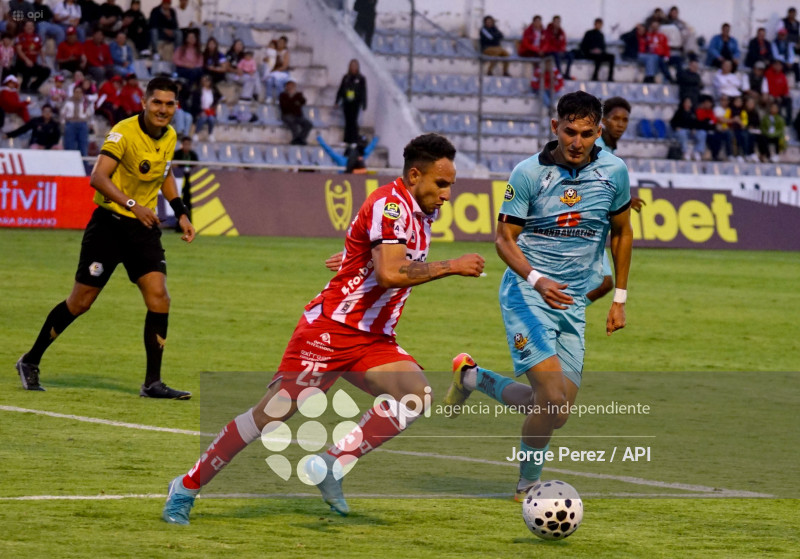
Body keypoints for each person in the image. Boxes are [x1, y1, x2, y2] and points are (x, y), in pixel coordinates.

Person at [161, 132, 485, 524]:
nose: (448, 194)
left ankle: (331, 464)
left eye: (451, 185)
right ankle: (186, 486)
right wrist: (452, 265)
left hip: (372, 339)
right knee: (270, 417)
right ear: (414, 175)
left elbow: (374, 252)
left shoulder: (421, 210)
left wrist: (352, 255)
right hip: (329, 333)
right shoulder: (391, 205)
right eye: (442, 183)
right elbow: (387, 273)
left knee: (416, 394)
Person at [443, 91, 632, 501]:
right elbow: (503, 238)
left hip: (573, 302)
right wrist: (536, 279)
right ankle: (527, 485)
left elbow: (622, 232)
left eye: (586, 133)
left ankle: (472, 376)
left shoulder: (614, 172)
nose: (577, 142)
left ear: (598, 132)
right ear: (555, 127)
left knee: (556, 411)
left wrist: (619, 296)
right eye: (569, 132)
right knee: (548, 397)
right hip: (526, 295)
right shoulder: (528, 172)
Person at [16, 77, 195, 398]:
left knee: (159, 297)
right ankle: (30, 360)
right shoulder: (123, 132)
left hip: (143, 228)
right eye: (157, 102)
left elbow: (165, 173)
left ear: (176, 107)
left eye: (169, 104)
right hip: (110, 226)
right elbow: (97, 177)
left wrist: (181, 212)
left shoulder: (169, 135)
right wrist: (133, 205)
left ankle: (152, 382)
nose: (163, 110)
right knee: (81, 302)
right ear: (144, 102)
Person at [589, 96, 643, 303]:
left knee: (601, 283)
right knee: (604, 283)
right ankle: (559, 314)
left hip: (594, 229)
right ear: (603, 121)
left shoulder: (609, 149)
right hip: (583, 225)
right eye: (615, 118)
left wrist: (626, 201)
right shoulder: (597, 147)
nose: (620, 124)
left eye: (625, 120)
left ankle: (558, 314)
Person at [566, 18, 615, 82]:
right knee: (598, 58)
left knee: (611, 57)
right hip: (589, 53)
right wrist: (592, 50)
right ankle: (595, 76)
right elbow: (584, 45)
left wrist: (600, 50)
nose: (599, 26)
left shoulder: (601, 35)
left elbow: (603, 47)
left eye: (600, 24)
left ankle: (610, 77)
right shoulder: (589, 33)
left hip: (599, 53)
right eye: (598, 24)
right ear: (595, 24)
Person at [14, 19, 51, 93]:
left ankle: (33, 87)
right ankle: (23, 88)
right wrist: (26, 60)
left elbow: (41, 50)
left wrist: (44, 61)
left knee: (46, 70)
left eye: (31, 26)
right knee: (28, 67)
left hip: (33, 63)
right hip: (21, 63)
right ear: (24, 27)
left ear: (34, 27)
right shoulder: (20, 37)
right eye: (28, 25)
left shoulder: (37, 37)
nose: (30, 27)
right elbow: (19, 50)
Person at [336, 59, 367, 144]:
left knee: (353, 121)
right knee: (347, 121)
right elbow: (341, 89)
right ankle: (346, 139)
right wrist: (337, 100)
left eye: (355, 66)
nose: (353, 67)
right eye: (352, 66)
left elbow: (363, 91)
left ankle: (354, 139)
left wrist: (364, 103)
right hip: (347, 102)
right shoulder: (346, 78)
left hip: (355, 102)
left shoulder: (361, 79)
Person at [172, 135, 197, 227]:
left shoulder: (193, 155)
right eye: (185, 144)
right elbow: (173, 166)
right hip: (178, 182)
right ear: (182, 144)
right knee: (178, 202)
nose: (187, 146)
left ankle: (189, 222)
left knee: (188, 203)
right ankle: (178, 225)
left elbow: (196, 168)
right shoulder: (177, 154)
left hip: (190, 183)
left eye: (188, 144)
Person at [279, 79, 312, 145]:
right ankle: (296, 139)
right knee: (293, 123)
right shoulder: (283, 95)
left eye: (292, 86)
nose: (290, 87)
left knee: (308, 124)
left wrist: (293, 101)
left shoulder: (298, 95)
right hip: (287, 115)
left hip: (298, 115)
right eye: (289, 85)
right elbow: (284, 106)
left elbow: (303, 102)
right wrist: (295, 102)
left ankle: (300, 139)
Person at [189, 73, 220, 142]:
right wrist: (200, 111)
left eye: (207, 80)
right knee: (203, 118)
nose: (205, 82)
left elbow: (217, 100)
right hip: (200, 110)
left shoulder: (213, 91)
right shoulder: (197, 91)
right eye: (203, 81)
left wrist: (213, 108)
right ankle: (196, 134)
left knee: (211, 119)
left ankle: (210, 134)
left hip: (210, 110)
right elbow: (195, 104)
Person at [264, 35, 290, 102]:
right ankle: (268, 97)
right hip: (273, 71)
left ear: (285, 44)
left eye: (282, 42)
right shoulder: (273, 51)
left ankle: (279, 98)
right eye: (279, 42)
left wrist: (276, 71)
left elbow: (285, 66)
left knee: (278, 81)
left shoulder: (285, 53)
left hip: (282, 72)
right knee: (269, 80)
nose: (280, 44)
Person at [764, 58, 792, 123]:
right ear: (773, 65)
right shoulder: (768, 73)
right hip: (771, 95)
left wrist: (786, 94)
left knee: (789, 100)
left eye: (780, 65)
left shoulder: (782, 75)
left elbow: (786, 88)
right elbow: (766, 86)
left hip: (780, 95)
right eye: (776, 65)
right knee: (775, 101)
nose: (778, 67)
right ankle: (778, 118)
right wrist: (775, 95)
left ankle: (788, 119)